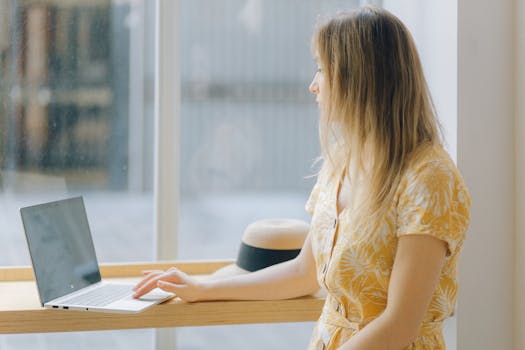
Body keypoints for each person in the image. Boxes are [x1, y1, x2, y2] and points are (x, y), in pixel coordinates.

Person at [133, 6, 471, 349]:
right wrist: (201, 287)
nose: (313, 85)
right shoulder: (341, 164)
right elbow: (302, 273)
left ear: (360, 78)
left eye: (322, 69)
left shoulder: (429, 178)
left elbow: (400, 325)